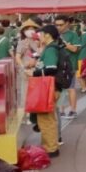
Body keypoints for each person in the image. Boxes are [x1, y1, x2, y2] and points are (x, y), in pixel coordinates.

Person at [31, 25, 64, 158]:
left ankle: (51, 148)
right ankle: (50, 145)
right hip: (52, 87)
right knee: (48, 118)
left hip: (48, 87)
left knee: (46, 119)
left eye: (41, 34)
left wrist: (34, 73)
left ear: (48, 35)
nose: (39, 37)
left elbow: (51, 68)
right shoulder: (52, 47)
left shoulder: (50, 49)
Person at [56, 16, 82, 118]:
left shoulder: (73, 34)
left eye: (61, 25)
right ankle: (61, 110)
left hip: (70, 65)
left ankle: (73, 110)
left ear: (67, 23)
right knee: (59, 89)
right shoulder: (54, 35)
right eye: (57, 25)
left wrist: (64, 44)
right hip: (57, 65)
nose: (58, 27)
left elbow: (75, 49)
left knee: (71, 88)